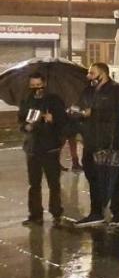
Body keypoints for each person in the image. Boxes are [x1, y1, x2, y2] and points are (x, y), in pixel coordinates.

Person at [73, 63, 119, 228]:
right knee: (92, 176)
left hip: (108, 142)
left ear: (103, 73)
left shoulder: (116, 90)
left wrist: (94, 112)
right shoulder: (88, 90)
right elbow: (81, 107)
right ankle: (96, 212)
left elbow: (118, 113)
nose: (89, 76)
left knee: (112, 176)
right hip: (90, 140)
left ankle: (116, 214)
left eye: (92, 73)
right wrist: (77, 113)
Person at [19, 73, 66, 226]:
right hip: (32, 148)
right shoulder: (26, 100)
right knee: (34, 184)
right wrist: (25, 126)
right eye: (32, 85)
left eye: (38, 85)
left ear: (44, 84)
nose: (35, 88)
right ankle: (35, 214)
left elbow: (63, 121)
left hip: (50, 147)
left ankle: (56, 212)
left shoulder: (54, 100)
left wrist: (54, 119)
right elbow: (21, 119)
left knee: (53, 183)